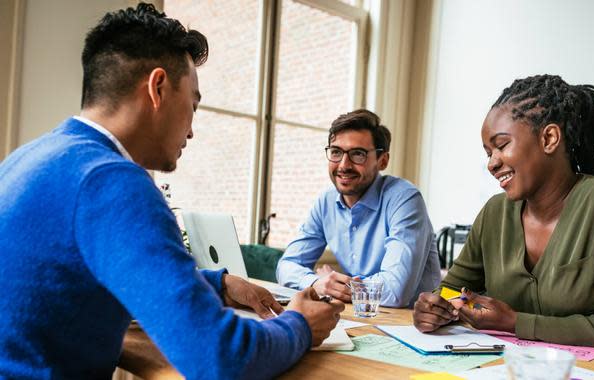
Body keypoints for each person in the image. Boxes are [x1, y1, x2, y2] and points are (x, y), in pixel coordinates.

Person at [0, 4, 344, 379]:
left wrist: (218, 285)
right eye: (192, 104)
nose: (192, 131)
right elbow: (218, 357)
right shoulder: (113, 180)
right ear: (158, 87)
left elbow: (90, 284)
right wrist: (299, 326)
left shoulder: (30, 158)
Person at [413, 74, 594, 350]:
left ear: (549, 138)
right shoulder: (495, 212)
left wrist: (516, 322)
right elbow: (454, 289)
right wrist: (436, 305)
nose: (492, 164)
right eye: (488, 153)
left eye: (501, 145)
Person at [276, 109, 441, 308]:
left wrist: (339, 285)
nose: (344, 165)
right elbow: (286, 266)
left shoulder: (404, 199)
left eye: (358, 154)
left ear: (383, 161)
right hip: (358, 317)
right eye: (336, 152)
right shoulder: (326, 202)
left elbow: (396, 291)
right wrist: (316, 283)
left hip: (411, 324)